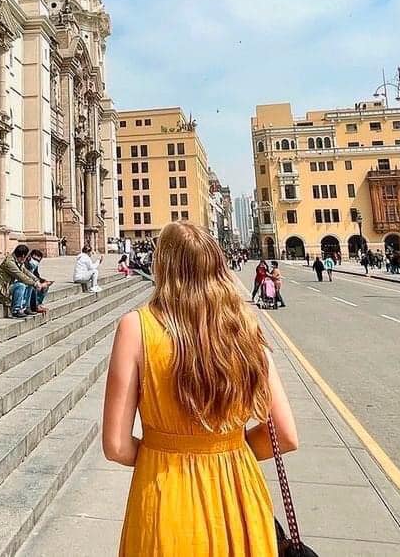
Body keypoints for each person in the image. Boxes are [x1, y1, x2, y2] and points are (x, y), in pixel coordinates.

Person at [103, 222, 297, 557]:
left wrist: (165, 452)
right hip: (239, 495)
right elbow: (286, 435)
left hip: (165, 498)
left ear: (160, 265)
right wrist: (223, 448)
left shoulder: (136, 327)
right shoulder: (245, 327)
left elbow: (117, 446)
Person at [0, 245, 48, 318]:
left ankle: (26, 307)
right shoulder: (9, 263)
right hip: (1, 291)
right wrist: (35, 284)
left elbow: (26, 272)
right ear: (23, 256)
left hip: (8, 287)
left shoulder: (17, 261)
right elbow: (20, 276)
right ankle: (16, 310)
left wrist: (36, 280)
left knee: (29, 284)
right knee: (21, 285)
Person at [26, 249, 53, 314]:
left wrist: (44, 281)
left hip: (33, 281)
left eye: (38, 260)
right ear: (30, 257)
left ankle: (39, 304)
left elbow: (36, 275)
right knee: (34, 286)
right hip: (26, 282)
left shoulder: (35, 265)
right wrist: (37, 283)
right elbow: (24, 276)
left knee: (45, 286)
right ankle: (34, 306)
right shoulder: (25, 264)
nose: (35, 262)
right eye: (34, 259)